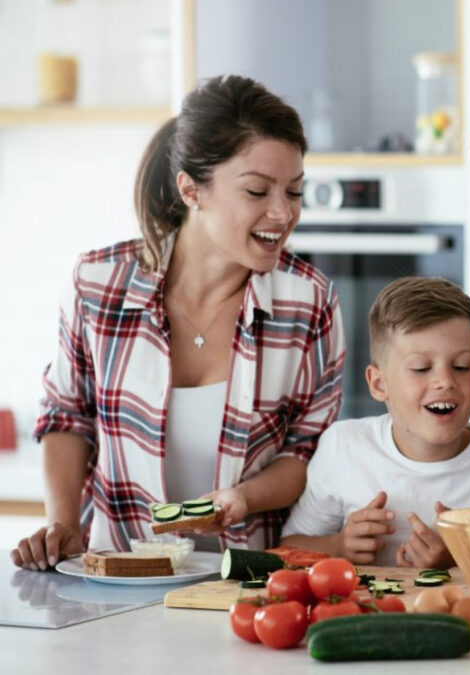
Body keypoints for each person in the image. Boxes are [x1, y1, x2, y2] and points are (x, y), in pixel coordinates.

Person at [11, 75, 345, 570]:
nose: (283, 213)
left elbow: (308, 453)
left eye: (294, 191)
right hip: (114, 578)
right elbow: (67, 416)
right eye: (258, 190)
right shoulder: (98, 284)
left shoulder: (309, 302)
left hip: (250, 588)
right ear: (192, 189)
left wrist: (242, 499)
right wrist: (63, 526)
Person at [280, 277, 470, 568]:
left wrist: (457, 559)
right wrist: (338, 546)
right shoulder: (345, 447)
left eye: (461, 366)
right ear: (378, 383)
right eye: (421, 368)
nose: (445, 382)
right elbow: (287, 547)